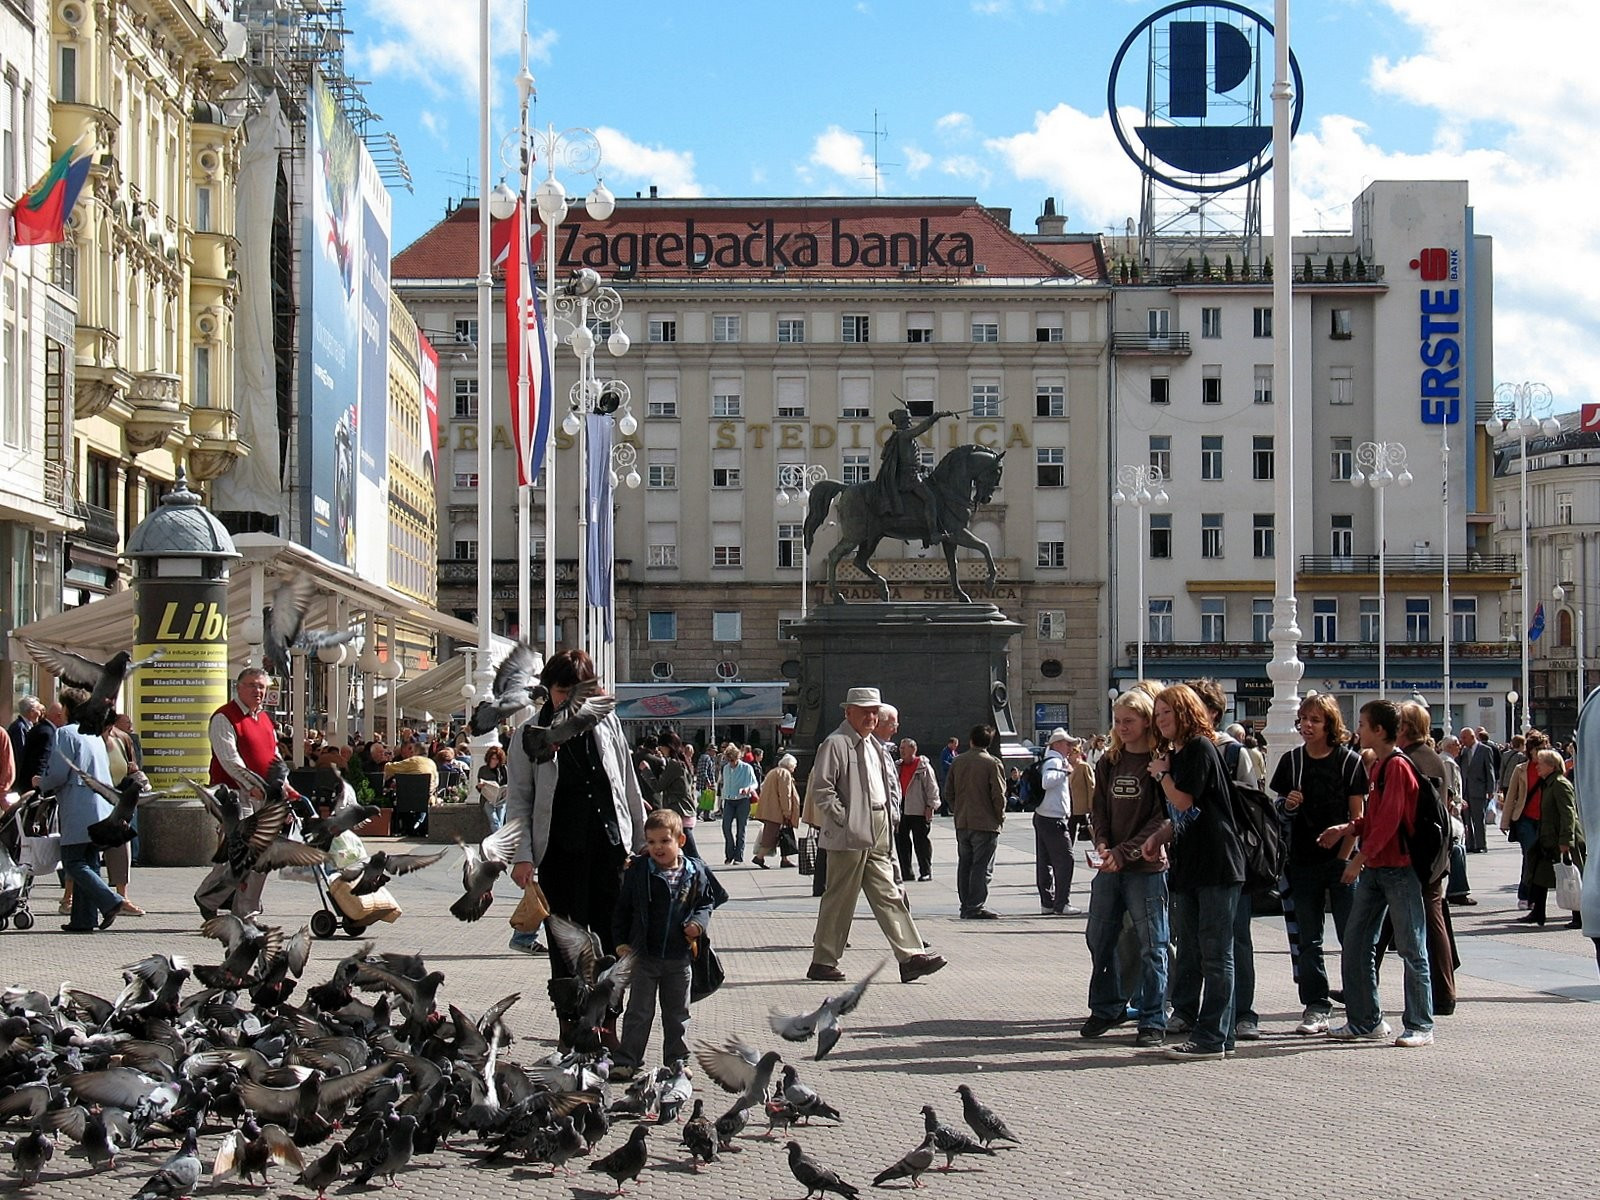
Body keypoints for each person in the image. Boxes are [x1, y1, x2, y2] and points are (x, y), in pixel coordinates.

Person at [506, 649, 646, 1045]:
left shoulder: (606, 724)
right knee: (564, 943)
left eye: (578, 693)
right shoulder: (530, 735)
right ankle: (570, 1023)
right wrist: (522, 856)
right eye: (563, 691)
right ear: (548, 689)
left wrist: (640, 843)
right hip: (558, 853)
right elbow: (518, 799)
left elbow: (627, 786)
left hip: (609, 848)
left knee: (612, 938)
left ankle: (607, 1023)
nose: (569, 701)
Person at [806, 687, 945, 984]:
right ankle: (822, 961)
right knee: (840, 897)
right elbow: (821, 789)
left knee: (889, 892)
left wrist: (890, 815)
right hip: (851, 828)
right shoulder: (836, 743)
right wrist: (845, 818)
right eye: (865, 711)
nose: (871, 717)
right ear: (848, 712)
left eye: (874, 712)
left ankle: (911, 957)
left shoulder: (874, 745)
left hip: (879, 824)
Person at [1319, 699, 1435, 1048]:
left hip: (1398, 869)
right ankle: (1366, 1020)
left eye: (1364, 724)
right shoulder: (1379, 767)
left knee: (1412, 948)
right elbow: (1376, 817)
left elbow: (1390, 821)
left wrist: (1358, 859)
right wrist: (1348, 827)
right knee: (1355, 943)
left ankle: (1420, 1023)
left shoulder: (1397, 766)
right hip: (1379, 869)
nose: (1359, 730)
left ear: (1380, 730)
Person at [1147, 683, 1244, 1061]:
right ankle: (1218, 1033)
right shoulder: (1178, 754)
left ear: (1185, 712)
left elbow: (1184, 799)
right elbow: (1187, 814)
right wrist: (1159, 835)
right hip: (1191, 863)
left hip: (1216, 862)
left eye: (1166, 713)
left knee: (1217, 953)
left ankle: (1212, 1038)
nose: (1161, 720)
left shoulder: (1200, 749)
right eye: (1157, 715)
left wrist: (1162, 775)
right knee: (1194, 948)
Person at [1269, 694, 1367, 1035]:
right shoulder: (1292, 761)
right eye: (1303, 719)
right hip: (1301, 861)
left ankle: (1359, 1004)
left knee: (1351, 938)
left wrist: (1346, 859)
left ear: (1330, 724)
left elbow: (1359, 818)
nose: (1307, 726)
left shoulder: (1349, 762)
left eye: (1315, 720)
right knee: (1308, 939)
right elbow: (1277, 812)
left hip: (1340, 862)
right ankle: (1315, 1005)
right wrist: (1289, 805)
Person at [1081, 690, 1170, 1046]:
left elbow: (1162, 817)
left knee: (1153, 943)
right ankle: (1107, 1006)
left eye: (1129, 721)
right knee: (1099, 937)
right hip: (1110, 865)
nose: (1122, 727)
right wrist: (1102, 843)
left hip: (1144, 868)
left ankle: (1152, 1016)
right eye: (1118, 722)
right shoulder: (1110, 760)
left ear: (1146, 721)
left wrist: (1125, 851)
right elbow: (1098, 807)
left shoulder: (1160, 760)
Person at [610, 809, 723, 1080]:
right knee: (639, 1011)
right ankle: (628, 1059)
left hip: (679, 956)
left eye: (664, 841)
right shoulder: (639, 871)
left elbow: (707, 902)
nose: (657, 848)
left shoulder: (695, 871)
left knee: (677, 1013)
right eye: (651, 842)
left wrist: (698, 922)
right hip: (644, 955)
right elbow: (622, 909)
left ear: (680, 841)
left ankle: (677, 1059)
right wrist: (621, 942)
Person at [1188, 677, 1260, 1044]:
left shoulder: (1233, 752)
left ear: (1213, 713)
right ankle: (1195, 1012)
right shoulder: (1184, 749)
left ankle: (1242, 1014)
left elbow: (1250, 804)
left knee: (1234, 940)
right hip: (1194, 859)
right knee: (1195, 939)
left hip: (1229, 856)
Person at [195, 666, 285, 921]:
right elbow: (229, 760)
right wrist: (251, 785)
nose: (258, 691)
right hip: (236, 796)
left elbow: (274, 756)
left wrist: (283, 784)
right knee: (238, 854)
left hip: (263, 797)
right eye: (253, 685)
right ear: (239, 687)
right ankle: (208, 896)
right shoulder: (225, 717)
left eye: (262, 687)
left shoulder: (265, 719)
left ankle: (246, 912)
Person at [37, 688, 124, 933]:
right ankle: (84, 920)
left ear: (67, 709)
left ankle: (110, 899)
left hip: (79, 807)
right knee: (90, 861)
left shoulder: (65, 733)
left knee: (73, 861)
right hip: (101, 807)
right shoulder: (94, 734)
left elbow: (57, 772)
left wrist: (40, 783)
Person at [1392, 702, 1459, 1015]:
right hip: (1433, 854)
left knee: (1432, 922)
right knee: (1432, 919)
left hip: (1419, 855)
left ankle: (1443, 993)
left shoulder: (1413, 760)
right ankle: (1443, 990)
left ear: (1404, 727)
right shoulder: (1432, 758)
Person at [1518, 749, 1587, 928]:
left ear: (1551, 765)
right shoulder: (1548, 783)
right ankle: (1538, 912)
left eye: (1541, 763)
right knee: (1539, 874)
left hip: (1562, 839)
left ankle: (1579, 916)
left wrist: (1566, 841)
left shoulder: (1560, 784)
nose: (1537, 766)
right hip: (1548, 839)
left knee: (1572, 877)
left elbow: (1568, 814)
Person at [947, 724, 1007, 920]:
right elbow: (998, 794)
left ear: (971, 740)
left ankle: (966, 904)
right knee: (981, 866)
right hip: (985, 823)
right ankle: (975, 906)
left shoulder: (958, 761)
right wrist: (1000, 816)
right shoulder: (992, 763)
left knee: (965, 864)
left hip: (963, 822)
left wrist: (958, 809)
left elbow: (948, 792)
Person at [878, 406, 953, 546]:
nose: (909, 422)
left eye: (909, 420)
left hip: (914, 473)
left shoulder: (903, 436)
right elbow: (921, 429)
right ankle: (933, 534)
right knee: (930, 499)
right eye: (907, 420)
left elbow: (907, 459)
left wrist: (921, 467)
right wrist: (936, 416)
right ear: (901, 421)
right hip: (909, 478)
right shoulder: (903, 435)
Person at [1034, 730, 1083, 916]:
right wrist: (1065, 771)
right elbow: (1047, 782)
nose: (1070, 747)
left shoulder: (1049, 760)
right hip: (1053, 819)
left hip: (1043, 816)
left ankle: (1047, 902)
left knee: (1045, 861)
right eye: (1067, 743)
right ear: (1057, 744)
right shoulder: (1056, 762)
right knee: (1065, 860)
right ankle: (1062, 903)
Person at [100, 718, 144, 917]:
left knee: (120, 851)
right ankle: (69, 897)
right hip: (92, 801)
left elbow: (131, 765)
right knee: (82, 852)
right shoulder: (86, 738)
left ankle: (122, 898)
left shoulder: (122, 739)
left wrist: (133, 771)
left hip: (117, 802)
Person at [1500, 730, 1549, 909]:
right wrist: (1505, 821)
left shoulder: (1551, 768)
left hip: (1545, 820)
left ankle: (1536, 896)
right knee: (1530, 856)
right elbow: (1511, 795)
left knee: (1542, 859)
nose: (1541, 753)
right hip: (1525, 819)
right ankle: (1525, 894)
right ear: (1530, 750)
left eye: (1544, 749)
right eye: (1538, 749)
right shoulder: (1521, 769)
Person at [893, 738, 939, 882]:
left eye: (904, 748)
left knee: (921, 842)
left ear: (913, 749)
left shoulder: (923, 767)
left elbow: (932, 788)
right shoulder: (897, 766)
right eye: (900, 748)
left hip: (919, 808)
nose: (901, 751)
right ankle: (906, 872)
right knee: (901, 842)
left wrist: (931, 806)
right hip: (901, 808)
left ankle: (925, 871)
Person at [654, 731, 702, 861]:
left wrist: (646, 771)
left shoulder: (674, 764)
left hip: (679, 812)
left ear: (668, 746)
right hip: (686, 810)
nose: (659, 749)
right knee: (687, 854)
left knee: (693, 856)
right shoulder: (683, 761)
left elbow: (658, 786)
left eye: (661, 746)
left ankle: (706, 878)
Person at [752, 753, 801, 869]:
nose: (795, 768)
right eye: (794, 765)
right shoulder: (784, 774)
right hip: (776, 811)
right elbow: (785, 795)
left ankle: (784, 859)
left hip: (770, 810)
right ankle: (759, 857)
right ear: (789, 765)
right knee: (771, 835)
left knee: (782, 835)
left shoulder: (774, 772)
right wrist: (787, 812)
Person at [1456, 726, 1497, 852]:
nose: (1462, 740)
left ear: (1472, 737)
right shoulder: (1463, 751)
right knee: (1467, 820)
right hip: (1465, 791)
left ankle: (1481, 845)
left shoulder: (1485, 750)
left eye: (1464, 738)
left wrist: (1490, 790)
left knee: (1478, 819)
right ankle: (1470, 844)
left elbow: (1489, 771)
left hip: (1478, 789)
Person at [717, 743, 759, 865]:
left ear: (738, 757)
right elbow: (724, 783)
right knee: (726, 827)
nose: (731, 762)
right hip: (729, 800)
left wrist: (748, 789)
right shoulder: (726, 768)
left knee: (741, 830)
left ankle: (738, 856)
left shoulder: (746, 768)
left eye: (733, 760)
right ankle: (729, 854)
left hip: (742, 800)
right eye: (729, 760)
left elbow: (755, 783)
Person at [477, 744, 509, 832]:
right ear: (489, 758)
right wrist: (480, 786)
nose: (495, 761)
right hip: (488, 800)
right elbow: (479, 787)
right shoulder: (483, 770)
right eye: (493, 759)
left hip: (501, 800)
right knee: (494, 821)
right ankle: (499, 840)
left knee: (500, 821)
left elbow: (508, 783)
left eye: (497, 759)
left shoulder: (503, 769)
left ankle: (498, 841)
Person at [8, 696, 42, 767]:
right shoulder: (19, 727)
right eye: (38, 710)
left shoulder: (27, 725)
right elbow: (20, 754)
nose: (40, 713)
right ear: (32, 712)